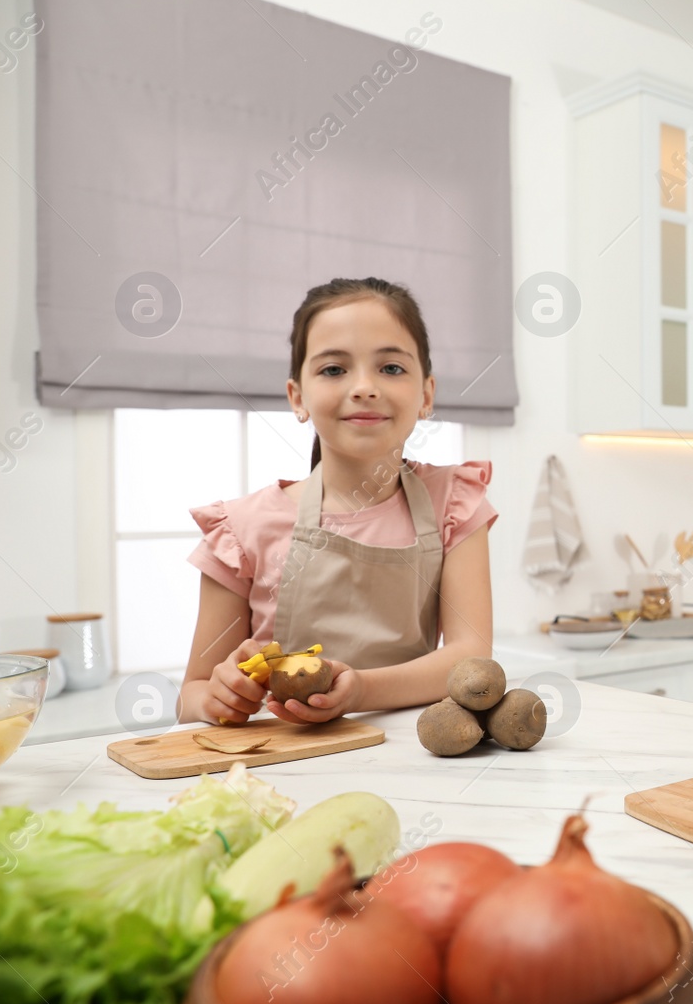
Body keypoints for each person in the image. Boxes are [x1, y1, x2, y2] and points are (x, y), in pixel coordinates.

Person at [179, 277, 497, 725]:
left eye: (390, 368)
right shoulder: (239, 529)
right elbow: (191, 695)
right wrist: (218, 698)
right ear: (298, 397)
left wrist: (362, 690)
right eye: (333, 370)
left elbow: (472, 656)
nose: (364, 387)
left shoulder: (455, 503)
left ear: (426, 395)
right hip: (282, 765)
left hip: (411, 755)